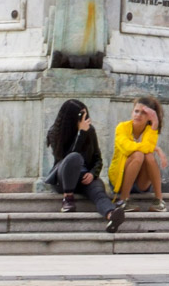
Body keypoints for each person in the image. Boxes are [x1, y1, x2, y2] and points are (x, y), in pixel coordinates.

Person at [45, 100, 127, 233]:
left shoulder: (90, 130)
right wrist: (80, 134)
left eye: (86, 114)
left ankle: (112, 216)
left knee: (99, 193)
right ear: (71, 117)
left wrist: (93, 174)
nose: (85, 119)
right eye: (81, 116)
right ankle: (68, 199)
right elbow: (65, 159)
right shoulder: (55, 132)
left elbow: (97, 159)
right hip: (64, 179)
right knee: (74, 157)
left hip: (85, 178)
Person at [111, 96, 167, 212]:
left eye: (143, 113)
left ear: (149, 118)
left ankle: (159, 200)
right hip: (120, 180)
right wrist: (155, 149)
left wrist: (155, 124)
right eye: (136, 111)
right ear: (132, 112)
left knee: (148, 156)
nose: (138, 115)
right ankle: (123, 200)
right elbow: (127, 148)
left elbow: (149, 148)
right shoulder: (122, 128)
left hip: (141, 184)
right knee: (139, 154)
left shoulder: (149, 130)